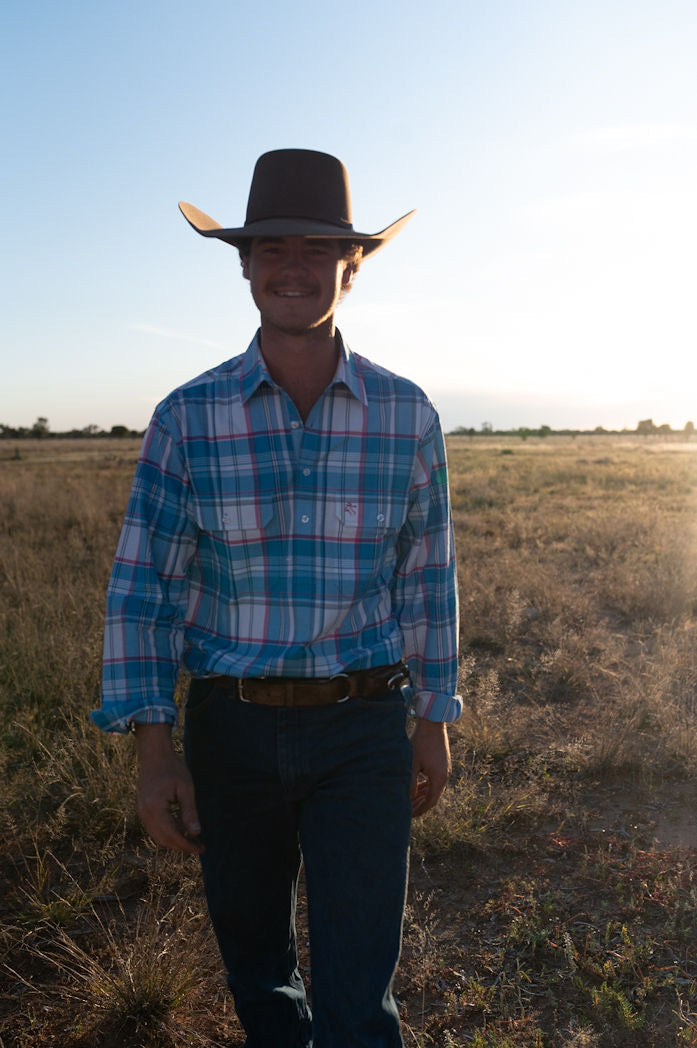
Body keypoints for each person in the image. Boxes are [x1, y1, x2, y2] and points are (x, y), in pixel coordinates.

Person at [93, 148, 461, 1048]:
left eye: (316, 250)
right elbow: (143, 587)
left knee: (358, 980)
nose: (291, 268)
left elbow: (427, 575)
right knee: (257, 966)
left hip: (364, 725)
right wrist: (154, 751)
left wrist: (434, 717)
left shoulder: (407, 415)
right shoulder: (189, 416)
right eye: (270, 250)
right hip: (232, 731)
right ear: (245, 266)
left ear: (353, 266)